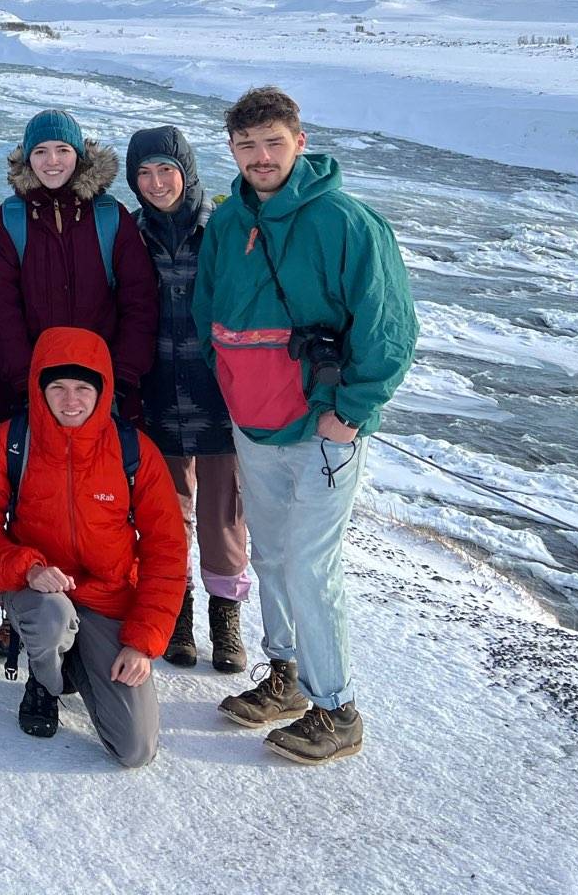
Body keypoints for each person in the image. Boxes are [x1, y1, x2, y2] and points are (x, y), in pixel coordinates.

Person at [194, 86, 418, 764]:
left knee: (311, 564)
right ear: (231, 148)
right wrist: (233, 387)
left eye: (272, 143)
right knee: (269, 554)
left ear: (300, 142)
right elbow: (210, 313)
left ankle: (337, 707)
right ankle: (285, 675)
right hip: (253, 423)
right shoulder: (229, 223)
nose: (260, 157)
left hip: (325, 430)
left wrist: (352, 412)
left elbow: (390, 329)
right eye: (246, 145)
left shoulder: (348, 223)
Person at [0, 326, 187, 767]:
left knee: (134, 749)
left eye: (83, 387)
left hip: (108, 600)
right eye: (57, 387)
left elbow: (167, 552)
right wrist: (26, 566)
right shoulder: (11, 442)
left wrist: (143, 641)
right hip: (37, 593)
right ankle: (45, 681)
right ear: (40, 388)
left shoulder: (133, 451)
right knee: (53, 617)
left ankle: (75, 663)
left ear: (103, 390)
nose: (70, 400)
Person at [0, 107, 157, 655]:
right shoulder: (10, 219)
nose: (52, 161)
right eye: (41, 153)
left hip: (102, 392)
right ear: (27, 160)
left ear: (79, 156)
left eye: (62, 151)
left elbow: (138, 302)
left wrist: (122, 378)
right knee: (27, 499)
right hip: (31, 389)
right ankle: (19, 608)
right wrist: (21, 381)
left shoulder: (111, 218)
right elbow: (1, 309)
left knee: (101, 502)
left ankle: (106, 599)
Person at [125, 124, 249, 672]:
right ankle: (176, 615)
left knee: (224, 516)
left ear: (187, 171)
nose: (156, 183)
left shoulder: (225, 227)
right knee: (167, 517)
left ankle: (226, 620)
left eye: (165, 170)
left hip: (220, 396)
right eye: (144, 173)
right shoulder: (129, 235)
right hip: (155, 394)